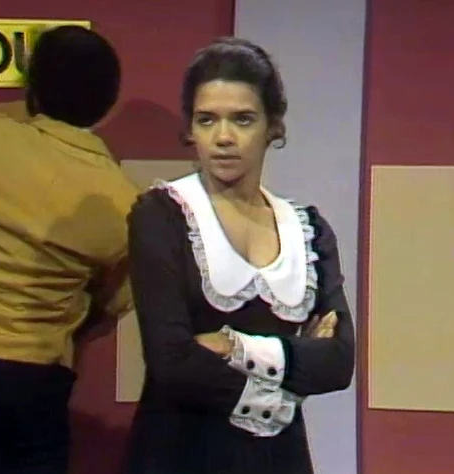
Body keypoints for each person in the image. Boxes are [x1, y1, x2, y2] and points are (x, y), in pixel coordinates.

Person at [121, 37, 355, 474]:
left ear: (273, 127)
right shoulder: (162, 215)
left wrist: (234, 346)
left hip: (279, 459)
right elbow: (172, 363)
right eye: (207, 120)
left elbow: (338, 362)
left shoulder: (308, 229)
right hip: (180, 454)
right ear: (191, 129)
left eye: (242, 119)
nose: (223, 138)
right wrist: (283, 385)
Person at [0, 25, 139, 474]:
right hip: (34, 378)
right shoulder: (122, 202)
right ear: (108, 101)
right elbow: (116, 300)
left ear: (33, 88)